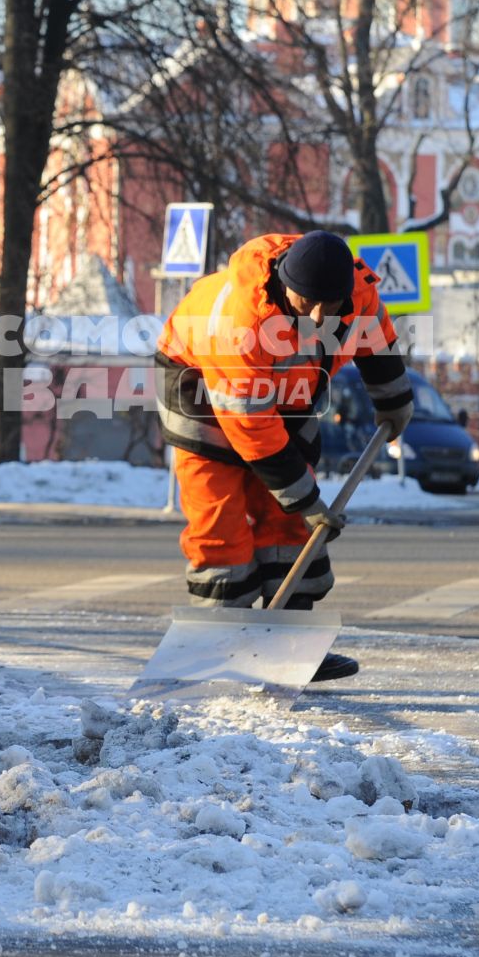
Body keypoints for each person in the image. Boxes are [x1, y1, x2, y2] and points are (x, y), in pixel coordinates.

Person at [154, 230, 413, 681]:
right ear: (283, 281)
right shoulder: (239, 323)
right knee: (221, 519)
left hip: (289, 393)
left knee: (289, 523)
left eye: (329, 304)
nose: (318, 315)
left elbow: (376, 337)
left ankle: (288, 645)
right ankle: (219, 650)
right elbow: (251, 426)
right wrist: (306, 499)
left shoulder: (355, 293)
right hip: (198, 385)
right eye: (307, 301)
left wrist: (393, 398)